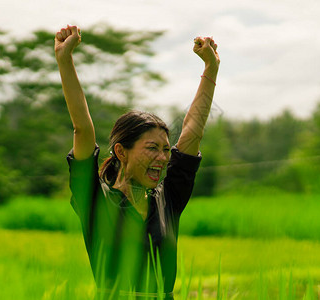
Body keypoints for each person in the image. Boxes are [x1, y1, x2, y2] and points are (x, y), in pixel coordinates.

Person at [55, 24, 220, 299]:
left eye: (166, 150)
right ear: (121, 152)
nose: (163, 158)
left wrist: (211, 68)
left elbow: (193, 131)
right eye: (152, 148)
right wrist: (65, 59)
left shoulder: (169, 198)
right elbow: (82, 129)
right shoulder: (95, 200)